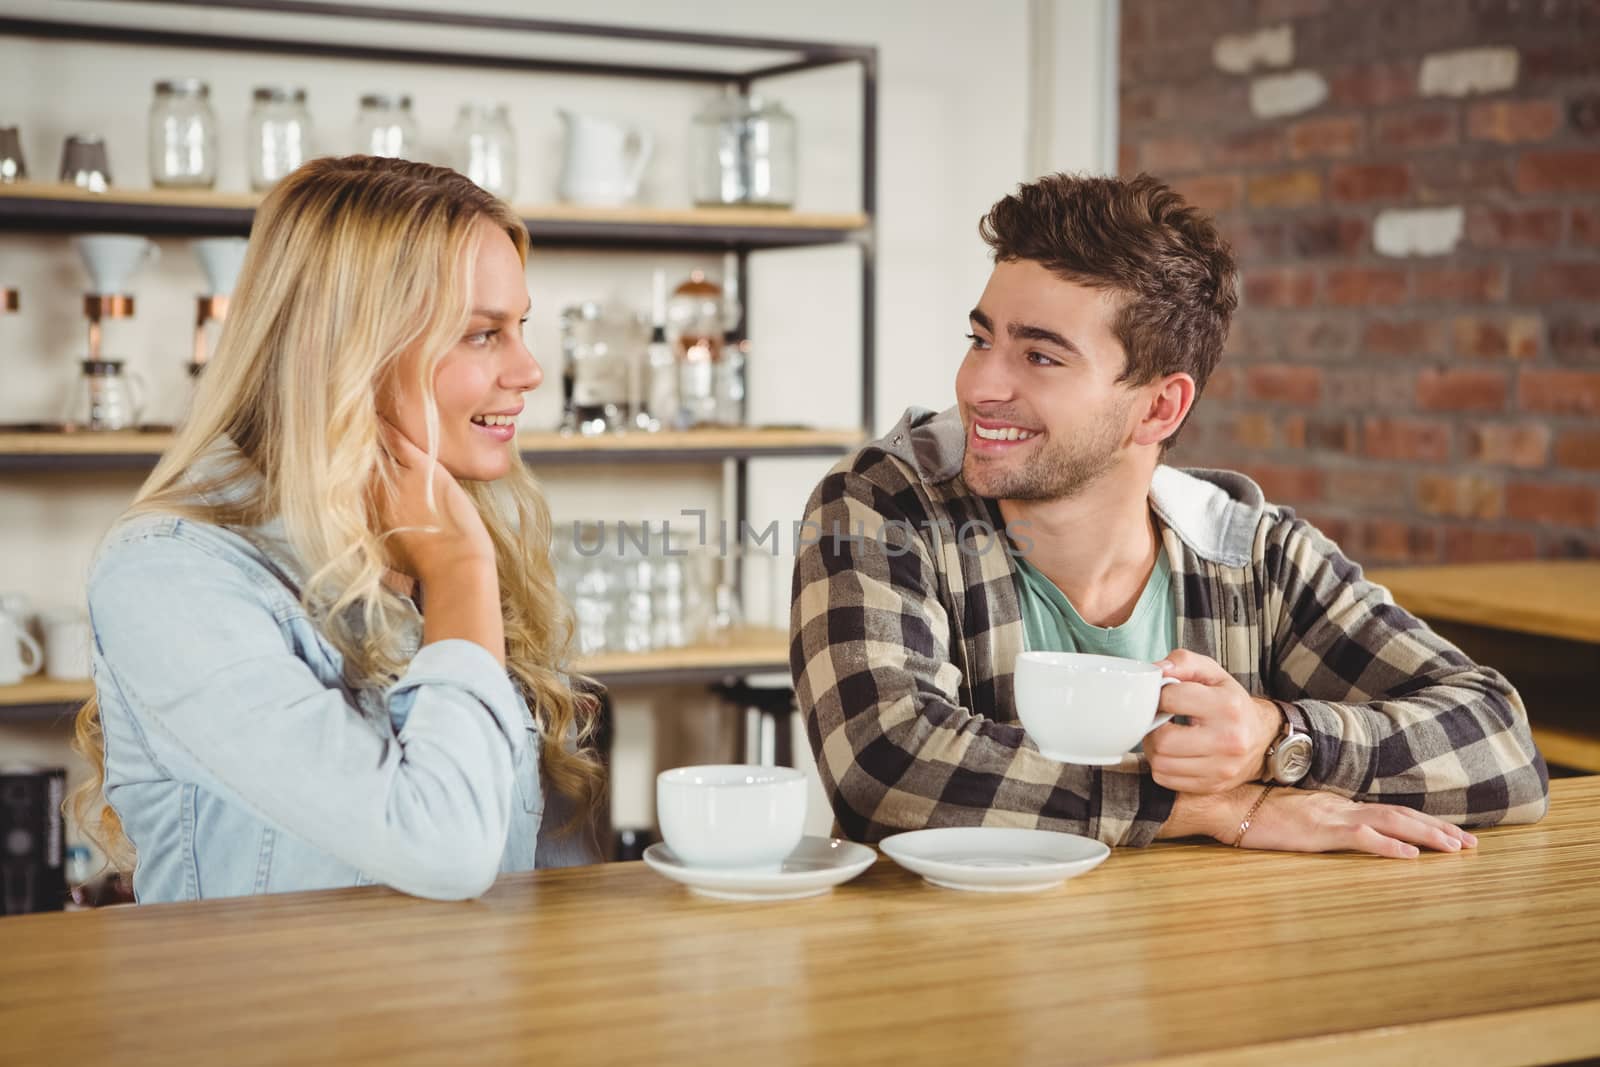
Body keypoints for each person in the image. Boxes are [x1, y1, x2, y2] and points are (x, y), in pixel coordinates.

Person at [790, 172, 1548, 858]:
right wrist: (1215, 807)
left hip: (1196, 971)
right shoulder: (882, 504)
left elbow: (1502, 743)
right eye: (981, 338)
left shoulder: (1255, 555)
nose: (980, 384)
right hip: (938, 972)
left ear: (1159, 406)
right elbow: (886, 764)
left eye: (1040, 356)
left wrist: (1276, 739)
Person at [70, 156, 605, 903]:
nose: (529, 369)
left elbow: (540, 882)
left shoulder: (459, 533)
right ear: (353, 348)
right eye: (483, 334)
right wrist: (459, 572)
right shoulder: (169, 573)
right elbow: (446, 851)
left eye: (521, 327)